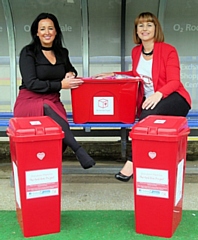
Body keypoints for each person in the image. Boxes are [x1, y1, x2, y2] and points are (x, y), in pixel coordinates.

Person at [94, 12, 191, 181]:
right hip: (152, 103)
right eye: (140, 25)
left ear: (156, 28)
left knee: (146, 117)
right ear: (136, 30)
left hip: (175, 98)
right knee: (149, 119)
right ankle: (150, 163)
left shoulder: (168, 50)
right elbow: (135, 74)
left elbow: (175, 81)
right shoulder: (136, 51)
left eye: (149, 25)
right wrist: (114, 74)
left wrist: (158, 94)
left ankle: (131, 163)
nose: (144, 29)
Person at [14, 12, 95, 169]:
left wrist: (71, 74)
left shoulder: (62, 52)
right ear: (36, 32)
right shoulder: (28, 52)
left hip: (53, 101)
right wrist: (60, 85)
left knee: (57, 130)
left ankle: (45, 164)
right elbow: (31, 83)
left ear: (56, 31)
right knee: (46, 107)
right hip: (29, 101)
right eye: (42, 29)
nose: (47, 32)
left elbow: (70, 69)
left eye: (50, 28)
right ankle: (78, 150)